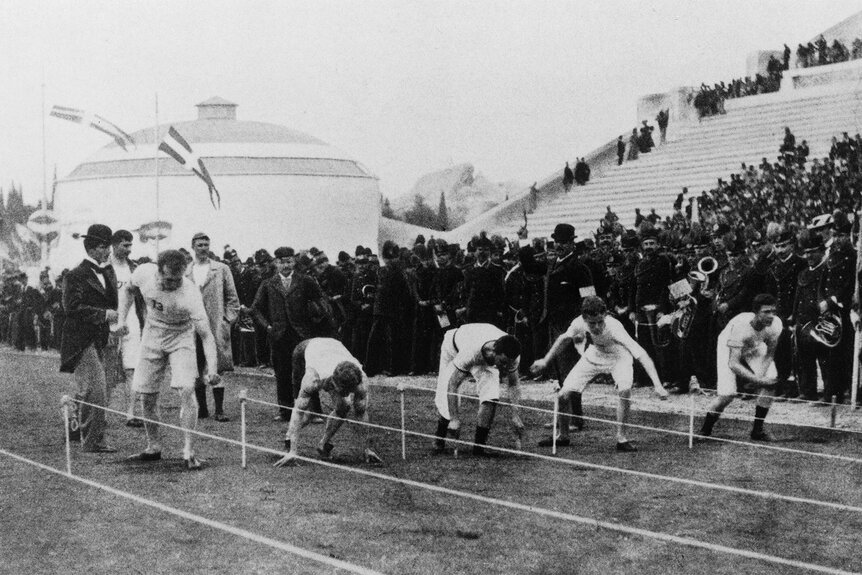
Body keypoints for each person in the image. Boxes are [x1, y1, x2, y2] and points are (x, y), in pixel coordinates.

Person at [118, 249, 220, 470]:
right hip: (153, 332)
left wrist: (212, 369)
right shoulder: (144, 273)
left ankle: (188, 450)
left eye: (177, 279)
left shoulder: (190, 295)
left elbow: (206, 335)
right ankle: (153, 446)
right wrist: (120, 320)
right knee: (146, 393)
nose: (172, 283)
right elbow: (127, 291)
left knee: (186, 389)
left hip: (181, 336)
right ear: (158, 271)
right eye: (167, 279)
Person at [531, 296, 668, 452]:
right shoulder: (578, 322)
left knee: (624, 390)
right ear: (584, 318)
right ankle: (563, 436)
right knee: (563, 395)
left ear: (605, 316)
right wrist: (545, 360)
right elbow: (563, 339)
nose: (597, 327)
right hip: (595, 354)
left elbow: (642, 354)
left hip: (619, 357)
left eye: (600, 322)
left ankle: (622, 439)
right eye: (592, 323)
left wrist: (657, 385)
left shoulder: (615, 327)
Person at [274, 337, 381, 466]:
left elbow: (361, 412)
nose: (347, 394)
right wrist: (293, 451)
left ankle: (323, 444)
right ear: (333, 382)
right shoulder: (312, 379)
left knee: (344, 406)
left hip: (333, 346)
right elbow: (298, 410)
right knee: (308, 413)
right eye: (343, 391)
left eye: (350, 391)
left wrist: (366, 449)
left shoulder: (361, 382)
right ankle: (288, 442)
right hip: (304, 350)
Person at [60, 224, 119, 453]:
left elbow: (112, 304)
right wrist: (102, 315)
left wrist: (113, 325)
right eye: (105, 247)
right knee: (97, 390)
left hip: (101, 337)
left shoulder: (109, 272)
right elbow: (71, 307)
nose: (108, 252)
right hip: (80, 340)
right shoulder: (74, 275)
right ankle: (93, 441)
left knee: (92, 389)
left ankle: (78, 426)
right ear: (93, 249)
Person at [698, 294, 782, 441]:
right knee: (728, 394)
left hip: (754, 344)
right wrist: (759, 381)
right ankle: (705, 429)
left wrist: (759, 379)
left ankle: (757, 431)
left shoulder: (776, 325)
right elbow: (733, 363)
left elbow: (769, 355)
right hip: (728, 344)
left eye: (773, 312)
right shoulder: (741, 327)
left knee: (771, 379)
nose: (771, 316)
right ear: (756, 312)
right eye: (766, 312)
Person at [432, 324, 524, 457]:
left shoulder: (512, 355)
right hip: (453, 348)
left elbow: (513, 384)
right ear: (494, 351)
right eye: (503, 362)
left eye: (508, 364)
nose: (506, 367)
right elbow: (453, 384)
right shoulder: (471, 351)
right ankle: (439, 439)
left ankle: (479, 447)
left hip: (485, 356)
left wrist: (515, 415)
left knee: (491, 395)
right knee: (445, 390)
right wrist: (454, 419)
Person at [187, 232, 240, 422]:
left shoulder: (221, 269)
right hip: (192, 327)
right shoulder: (186, 271)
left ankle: (219, 409)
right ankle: (202, 408)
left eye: (206, 245)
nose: (203, 248)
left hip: (215, 325)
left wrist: (226, 321)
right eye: (200, 245)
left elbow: (233, 299)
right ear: (193, 246)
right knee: (195, 365)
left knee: (217, 366)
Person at [105, 229, 144, 427]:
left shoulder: (134, 268)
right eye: (125, 245)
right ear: (114, 245)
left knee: (132, 368)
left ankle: (130, 413)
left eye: (130, 245)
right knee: (108, 370)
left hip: (131, 322)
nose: (129, 249)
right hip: (110, 322)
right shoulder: (104, 267)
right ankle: (100, 414)